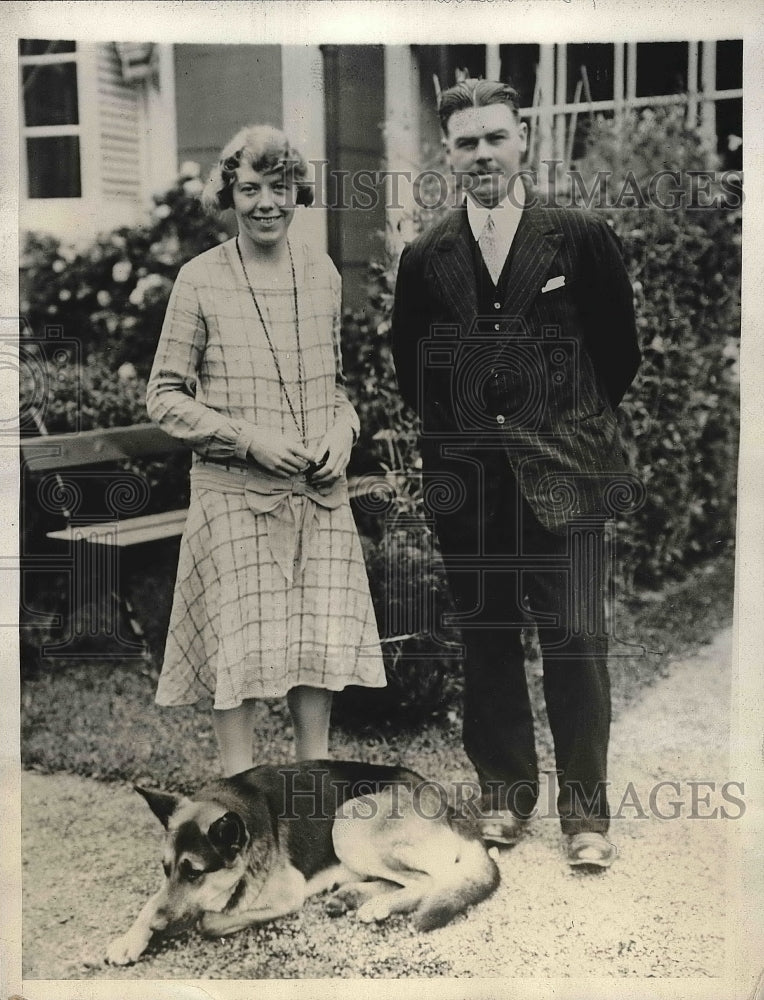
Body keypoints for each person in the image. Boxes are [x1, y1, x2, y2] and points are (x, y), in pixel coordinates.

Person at [391, 80, 641, 866]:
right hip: (472, 486)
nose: (482, 155)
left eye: (495, 137)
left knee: (576, 641)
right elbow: (415, 371)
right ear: (448, 153)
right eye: (466, 143)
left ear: (522, 138)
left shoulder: (579, 235)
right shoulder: (427, 256)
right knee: (488, 640)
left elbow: (618, 353)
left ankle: (587, 819)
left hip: (567, 474)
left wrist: (557, 427)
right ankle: (503, 798)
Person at [147, 125, 386, 776]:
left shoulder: (323, 274)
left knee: (317, 642)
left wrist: (344, 432)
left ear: (297, 191)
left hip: (316, 492)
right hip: (235, 497)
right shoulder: (199, 280)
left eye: (279, 187)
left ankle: (314, 788)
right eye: (249, 189)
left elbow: (334, 389)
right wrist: (249, 440)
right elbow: (163, 396)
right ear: (229, 196)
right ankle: (240, 794)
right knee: (241, 651)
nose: (265, 204)